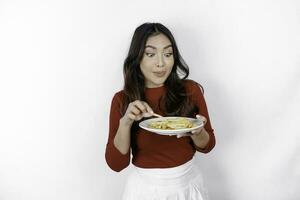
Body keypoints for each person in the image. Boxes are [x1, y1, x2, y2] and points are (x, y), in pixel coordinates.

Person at [105, 22, 216, 200]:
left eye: (168, 54)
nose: (161, 63)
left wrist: (198, 130)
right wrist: (125, 123)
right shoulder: (122, 99)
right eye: (150, 54)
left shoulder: (190, 90)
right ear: (137, 58)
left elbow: (207, 146)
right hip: (145, 190)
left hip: (188, 185)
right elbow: (116, 164)